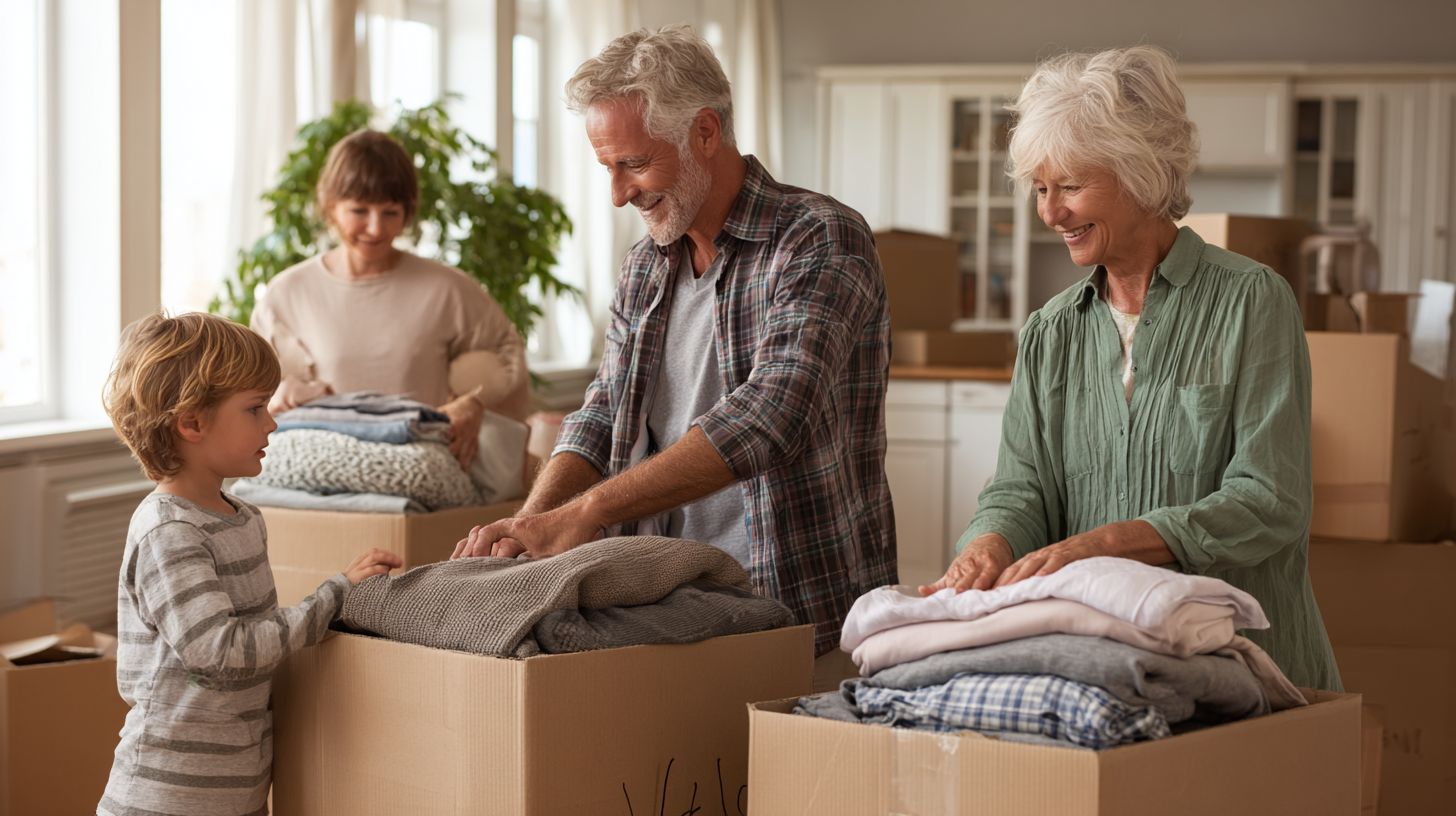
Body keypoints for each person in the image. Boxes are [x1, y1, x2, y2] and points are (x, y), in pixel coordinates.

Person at [452, 24, 896, 686]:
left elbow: (771, 416)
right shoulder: (645, 266)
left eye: (633, 164)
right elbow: (603, 412)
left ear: (705, 132)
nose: (618, 193)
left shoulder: (819, 238)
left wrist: (587, 512)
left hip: (796, 607)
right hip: (664, 606)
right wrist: (532, 521)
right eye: (607, 168)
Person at [923, 46, 1341, 690]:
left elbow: (1270, 499)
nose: (1049, 213)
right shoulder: (1049, 332)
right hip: (1109, 675)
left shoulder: (1252, 300)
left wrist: (1108, 543)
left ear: (1139, 174)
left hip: (1249, 671)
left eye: (1070, 187)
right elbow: (1019, 489)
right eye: (1040, 189)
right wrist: (988, 544)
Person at [98, 312, 401, 816]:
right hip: (165, 799)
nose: (272, 423)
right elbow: (220, 653)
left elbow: (259, 639)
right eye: (255, 408)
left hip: (236, 791)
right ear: (192, 423)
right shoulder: (169, 531)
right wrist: (332, 596)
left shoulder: (242, 519)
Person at [251, 129, 529, 469]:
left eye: (390, 213)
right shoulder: (286, 294)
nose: (375, 228)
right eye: (359, 210)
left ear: (408, 212)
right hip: (314, 474)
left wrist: (475, 403)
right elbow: (249, 398)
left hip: (419, 471)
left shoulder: (447, 289)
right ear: (331, 208)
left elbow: (508, 356)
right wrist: (278, 397)